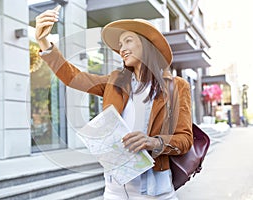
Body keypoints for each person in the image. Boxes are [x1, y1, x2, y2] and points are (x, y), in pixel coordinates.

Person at [35, 7, 193, 200]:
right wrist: (44, 42)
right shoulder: (115, 81)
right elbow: (73, 77)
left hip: (155, 190)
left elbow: (185, 139)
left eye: (128, 41)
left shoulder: (176, 86)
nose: (122, 48)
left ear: (147, 44)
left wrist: (153, 142)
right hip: (115, 190)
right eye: (120, 44)